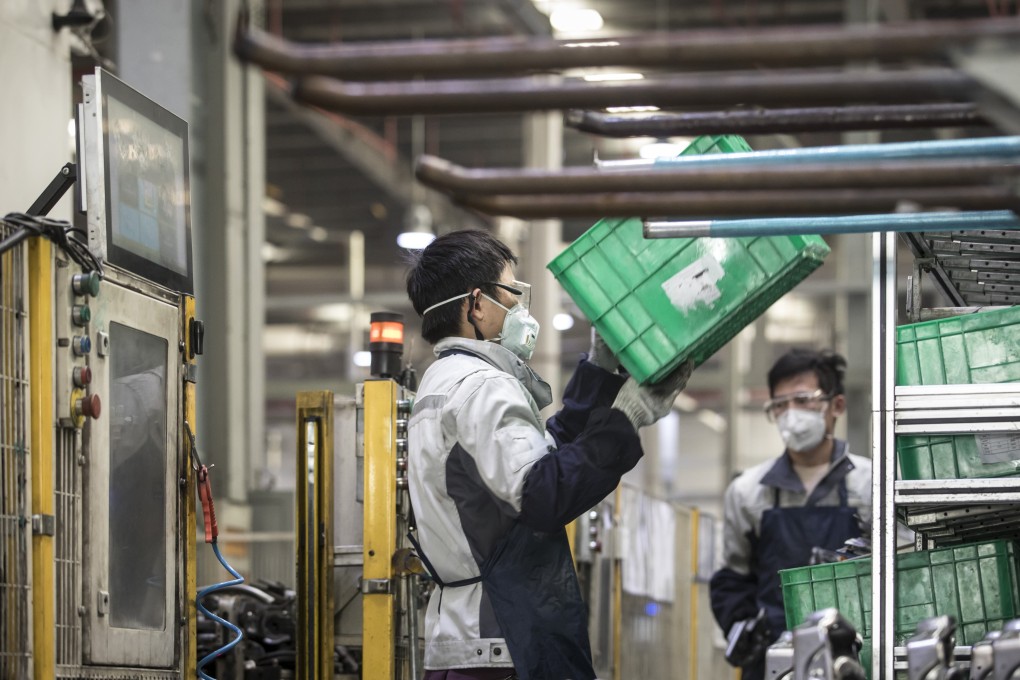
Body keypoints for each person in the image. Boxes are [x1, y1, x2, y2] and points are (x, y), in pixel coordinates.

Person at [404, 229, 692, 680]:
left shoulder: (440, 384)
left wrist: (599, 371)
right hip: (506, 643)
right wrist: (628, 416)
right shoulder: (481, 386)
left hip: (464, 642)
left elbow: (541, 459)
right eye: (512, 293)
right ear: (477, 305)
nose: (520, 307)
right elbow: (542, 494)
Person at [709, 348, 872, 680]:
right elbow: (732, 578)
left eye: (802, 399)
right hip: (775, 660)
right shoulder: (749, 491)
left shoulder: (872, 485)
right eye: (779, 405)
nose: (790, 414)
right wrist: (744, 630)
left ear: (836, 405)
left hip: (859, 656)